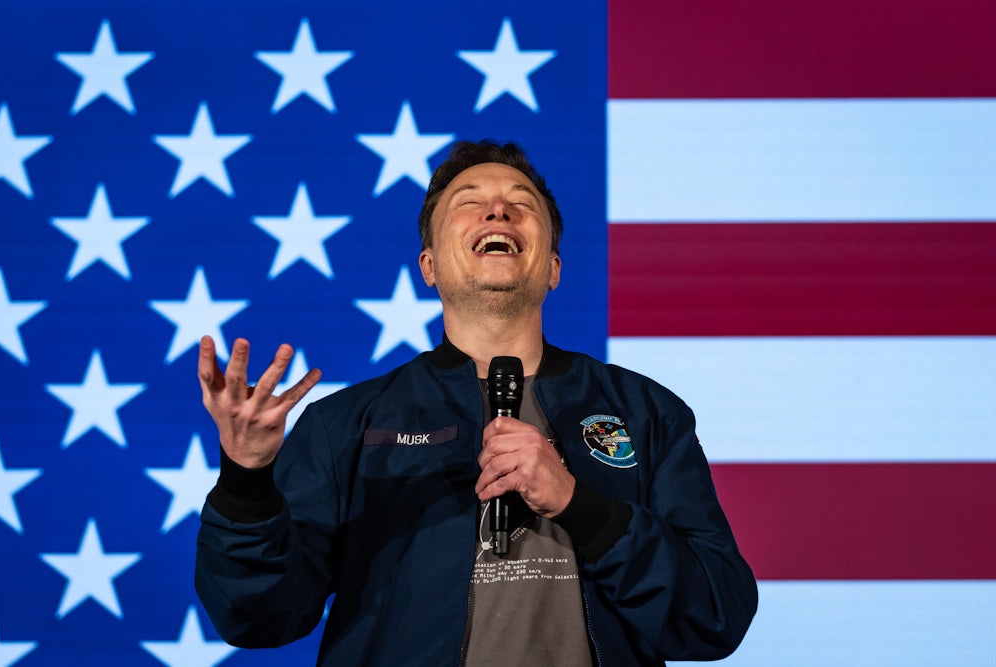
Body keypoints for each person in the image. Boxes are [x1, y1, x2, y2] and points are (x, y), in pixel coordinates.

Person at [195, 141, 758, 666]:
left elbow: (716, 616)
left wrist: (580, 505)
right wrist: (246, 482)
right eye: (471, 204)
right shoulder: (345, 424)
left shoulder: (645, 411)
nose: (497, 213)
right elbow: (257, 617)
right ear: (430, 267)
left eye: (520, 204)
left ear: (554, 269)